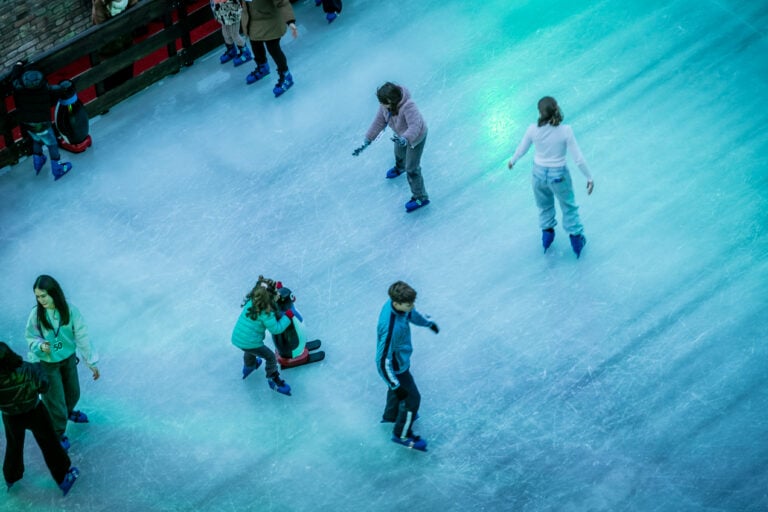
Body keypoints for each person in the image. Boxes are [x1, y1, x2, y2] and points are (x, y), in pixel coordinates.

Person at [507, 96, 594, 257]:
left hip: (538, 174)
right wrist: (589, 177)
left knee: (544, 206)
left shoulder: (532, 129)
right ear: (556, 108)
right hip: (558, 175)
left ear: (540, 112)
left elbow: (522, 149)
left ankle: (547, 238)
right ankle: (576, 240)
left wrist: (513, 161)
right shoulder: (565, 130)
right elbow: (578, 159)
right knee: (568, 207)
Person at [24, 275, 100, 451]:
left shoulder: (70, 311)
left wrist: (91, 361)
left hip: (67, 359)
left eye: (43, 296)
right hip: (48, 364)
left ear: (54, 293)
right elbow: (30, 337)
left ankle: (68, 411)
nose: (40, 300)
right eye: (37, 296)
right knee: (55, 402)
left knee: (74, 393)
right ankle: (57, 433)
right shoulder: (36, 315)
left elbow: (81, 335)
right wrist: (40, 346)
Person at [0, 342, 79, 496]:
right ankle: (63, 477)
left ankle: (11, 476)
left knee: (14, 446)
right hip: (34, 411)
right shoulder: (29, 369)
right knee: (50, 443)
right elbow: (44, 386)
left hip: (11, 416)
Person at [376, 281, 439, 451]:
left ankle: (391, 416)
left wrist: (428, 323)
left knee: (397, 393)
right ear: (397, 303)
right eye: (408, 304)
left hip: (401, 360)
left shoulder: (398, 307)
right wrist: (396, 385)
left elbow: (411, 314)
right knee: (412, 399)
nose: (412, 306)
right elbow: (382, 361)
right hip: (396, 368)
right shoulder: (391, 327)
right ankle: (401, 434)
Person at [360, 82, 430, 213]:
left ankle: (421, 197)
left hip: (416, 138)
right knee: (398, 153)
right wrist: (369, 138)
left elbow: (415, 126)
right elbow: (379, 121)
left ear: (391, 101)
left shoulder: (409, 106)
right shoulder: (385, 107)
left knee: (412, 169)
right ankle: (400, 167)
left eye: (383, 102)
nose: (381, 105)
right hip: (400, 136)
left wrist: (405, 139)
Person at [9, 61, 73, 180]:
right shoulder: (45, 87)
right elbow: (56, 93)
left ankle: (38, 161)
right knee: (52, 144)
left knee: (36, 139)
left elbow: (13, 79)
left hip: (28, 123)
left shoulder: (19, 86)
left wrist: (17, 65)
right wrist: (64, 87)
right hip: (43, 123)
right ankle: (57, 169)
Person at [231, 277, 293, 395]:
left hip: (238, 338)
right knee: (270, 357)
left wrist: (277, 290)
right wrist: (287, 317)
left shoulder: (252, 301)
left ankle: (249, 366)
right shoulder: (267, 312)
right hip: (250, 342)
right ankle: (273, 379)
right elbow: (276, 329)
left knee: (249, 349)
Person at [242, 0, 298, 97]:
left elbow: (282, 2)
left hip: (270, 20)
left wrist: (290, 21)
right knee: (255, 44)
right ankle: (262, 66)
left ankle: (286, 75)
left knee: (273, 48)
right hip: (253, 21)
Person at [91, 0, 140, 92]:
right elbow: (102, 29)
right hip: (109, 52)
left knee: (128, 77)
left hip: (126, 43)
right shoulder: (100, 3)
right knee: (112, 84)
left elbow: (135, 7)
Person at [211, 0, 252, 66]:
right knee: (225, 33)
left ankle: (245, 53)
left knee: (234, 34)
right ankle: (231, 50)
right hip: (222, 11)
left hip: (232, 10)